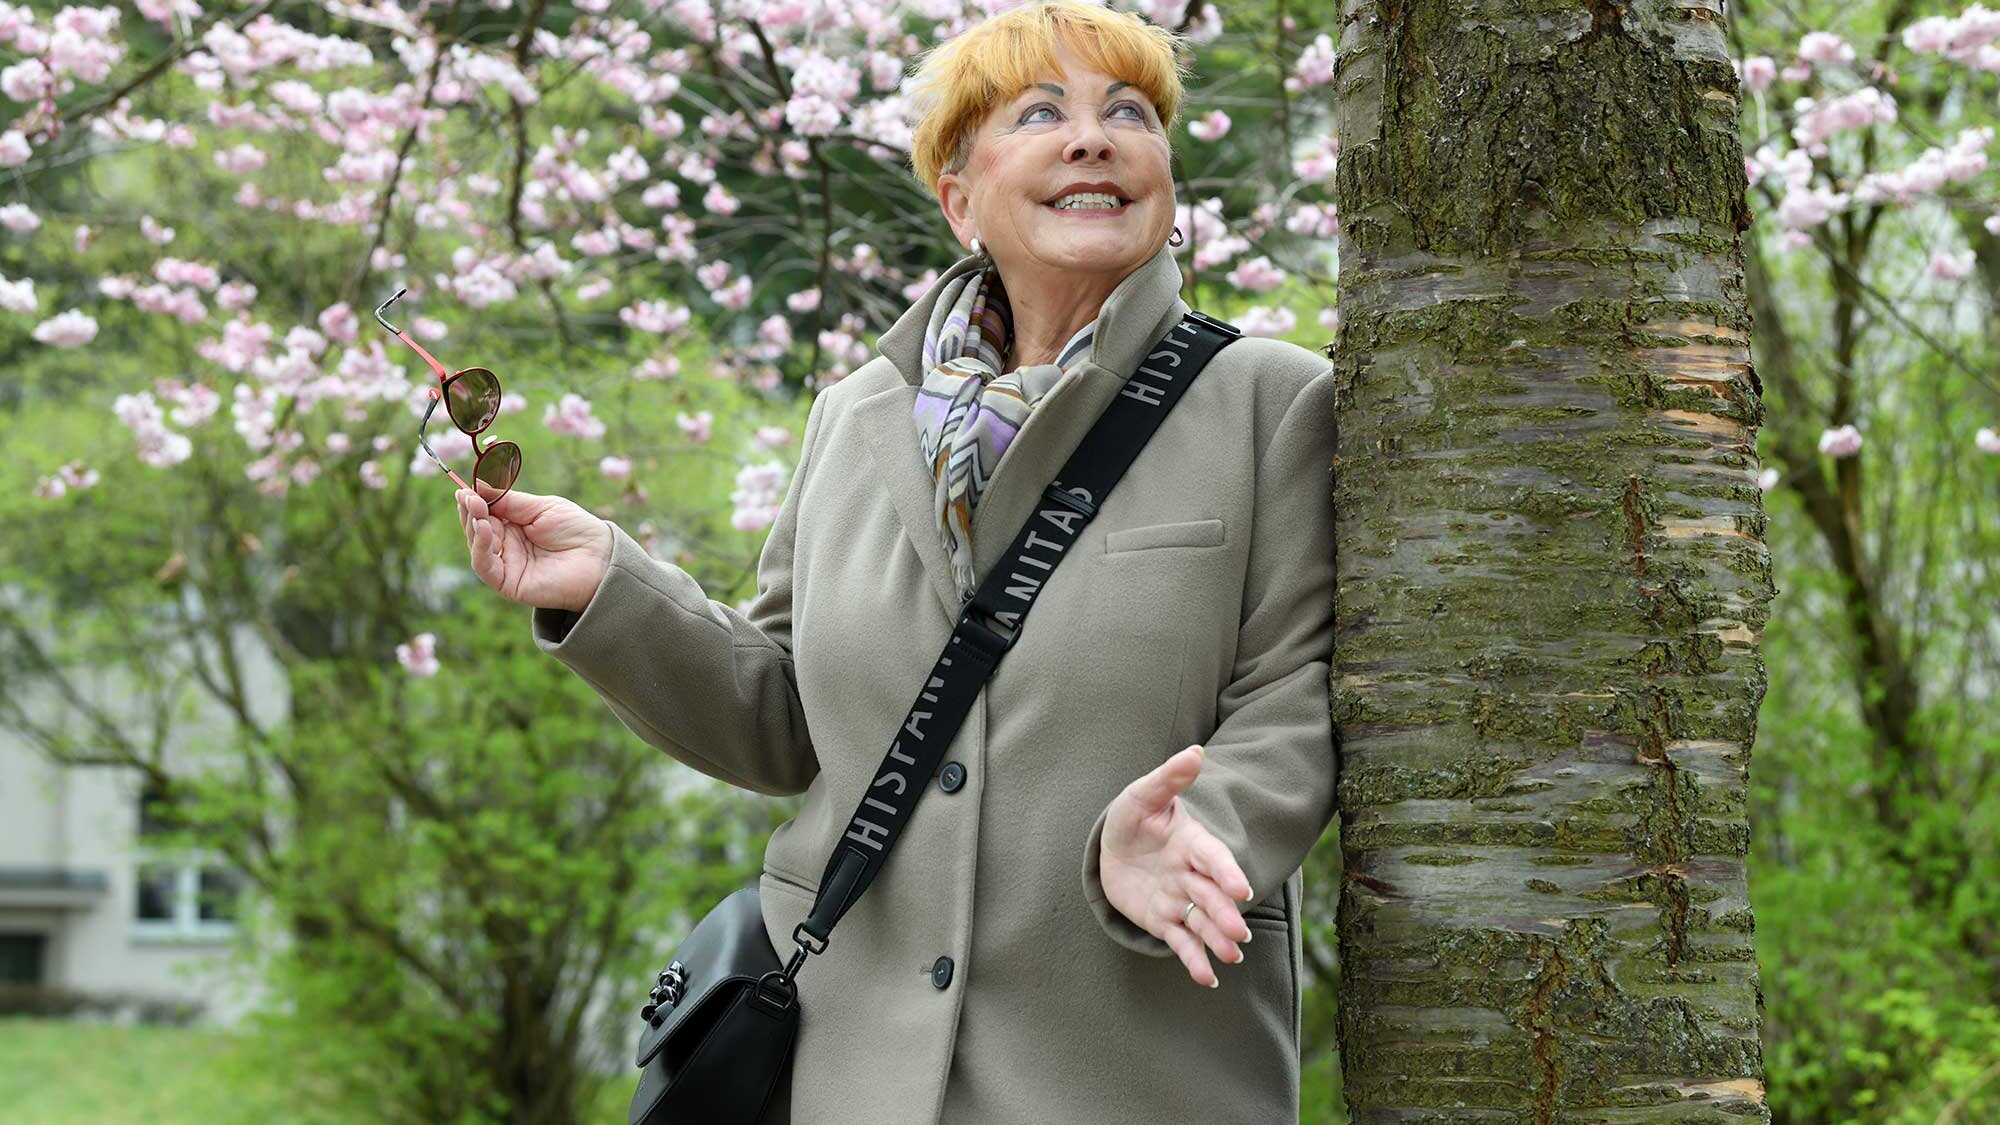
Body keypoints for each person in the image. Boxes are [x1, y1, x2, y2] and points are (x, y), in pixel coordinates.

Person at [452, 2, 1337, 1121]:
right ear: (959, 197)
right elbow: (783, 716)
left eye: (1129, 113)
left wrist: (1205, 826)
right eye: (1038, 114)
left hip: (1127, 1064)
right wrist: (609, 592)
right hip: (846, 1069)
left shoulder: (1270, 402)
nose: (1092, 137)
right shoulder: (857, 416)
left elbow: (1296, 695)